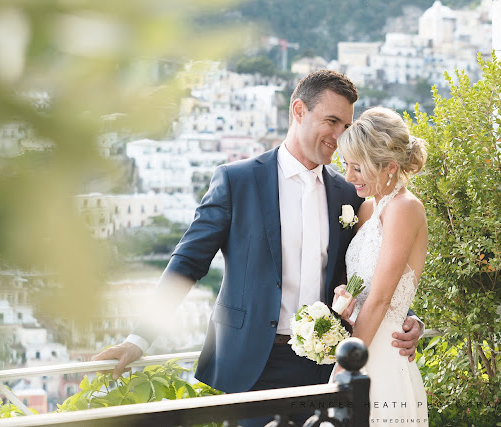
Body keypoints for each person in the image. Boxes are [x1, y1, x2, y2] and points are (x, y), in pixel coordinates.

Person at [93, 71, 422, 425]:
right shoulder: (237, 181)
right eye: (331, 121)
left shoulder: (350, 194)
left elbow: (376, 275)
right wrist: (138, 338)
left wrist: (407, 320)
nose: (340, 135)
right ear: (298, 110)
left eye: (346, 125)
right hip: (254, 368)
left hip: (326, 366)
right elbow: (188, 262)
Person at [331, 106, 428, 425]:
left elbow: (383, 298)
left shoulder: (405, 208)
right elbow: (365, 285)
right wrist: (345, 299)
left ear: (387, 166)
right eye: (347, 166)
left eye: (357, 168)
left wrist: (345, 367)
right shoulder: (366, 210)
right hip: (359, 343)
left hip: (381, 357)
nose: (348, 177)